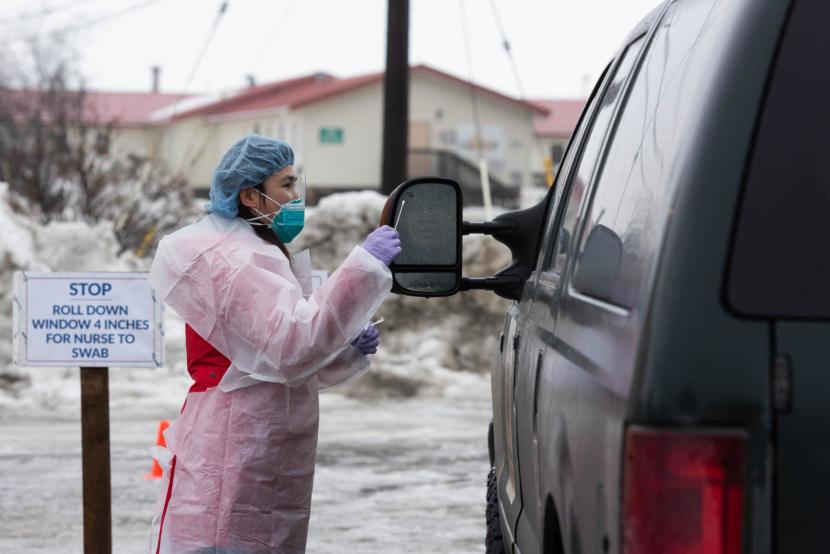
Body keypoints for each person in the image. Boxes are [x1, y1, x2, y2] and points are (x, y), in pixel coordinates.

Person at [147, 134, 401, 553]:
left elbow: (276, 359)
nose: (295, 195)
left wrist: (344, 350)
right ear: (250, 195)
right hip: (233, 441)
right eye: (285, 184)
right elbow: (289, 348)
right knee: (224, 538)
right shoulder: (233, 259)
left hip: (261, 437)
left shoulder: (254, 250)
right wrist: (362, 269)